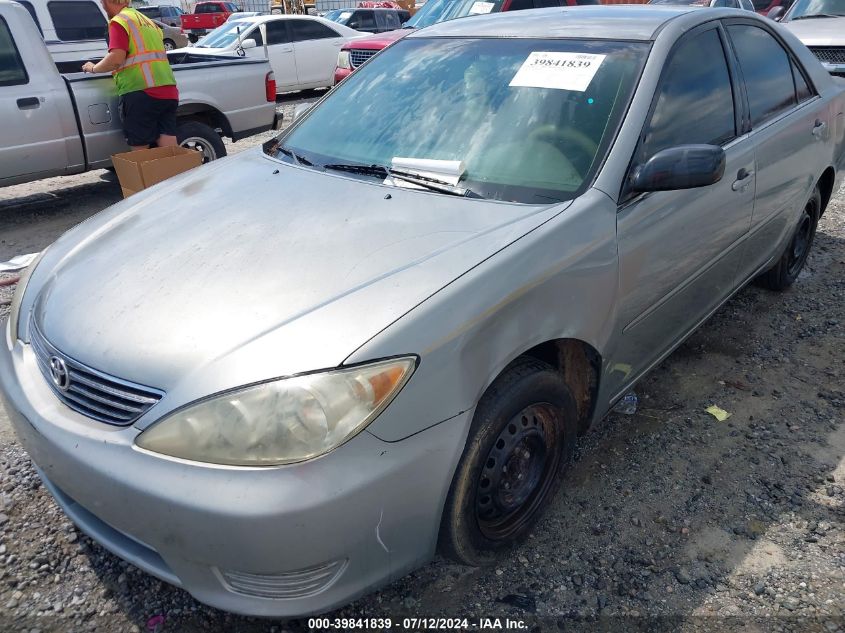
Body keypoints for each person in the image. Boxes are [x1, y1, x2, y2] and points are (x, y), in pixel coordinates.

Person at [82, 0, 179, 151]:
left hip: (141, 91)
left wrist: (93, 68)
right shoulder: (147, 21)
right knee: (169, 148)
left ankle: (147, 175)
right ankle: (176, 174)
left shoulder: (119, 21)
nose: (101, 4)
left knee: (140, 150)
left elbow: (115, 59)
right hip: (168, 90)